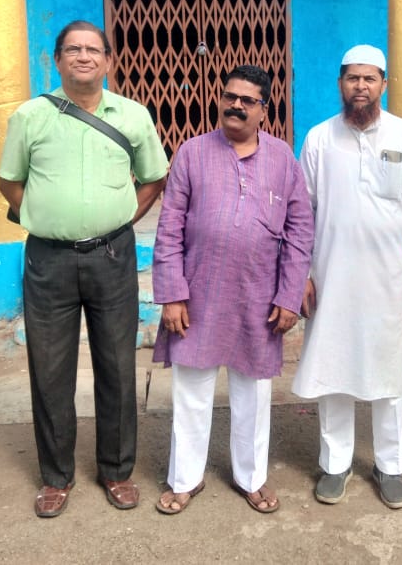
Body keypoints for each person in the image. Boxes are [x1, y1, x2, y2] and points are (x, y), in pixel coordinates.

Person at [0, 20, 168, 518]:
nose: (84, 57)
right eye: (73, 49)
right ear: (57, 60)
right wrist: (48, 217)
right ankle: (56, 477)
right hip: (48, 258)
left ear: (108, 60)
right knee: (50, 370)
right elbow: (10, 183)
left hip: (112, 256)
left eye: (93, 49)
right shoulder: (30, 116)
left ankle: (117, 470)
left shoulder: (133, 115)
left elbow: (154, 177)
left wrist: (119, 220)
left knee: (117, 366)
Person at [151, 65, 314, 515]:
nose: (235, 105)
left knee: (253, 394)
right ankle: (185, 479)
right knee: (191, 390)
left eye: (247, 100)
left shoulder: (283, 159)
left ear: (264, 110)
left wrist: (289, 295)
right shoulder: (192, 152)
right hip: (198, 292)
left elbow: (300, 232)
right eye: (229, 97)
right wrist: (172, 293)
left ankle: (251, 477)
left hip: (259, 295)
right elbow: (169, 227)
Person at [292, 44, 402, 509]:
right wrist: (302, 274)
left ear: (383, 84)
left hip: (388, 280)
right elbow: (302, 212)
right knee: (333, 369)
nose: (361, 86)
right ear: (340, 84)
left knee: (389, 372)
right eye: (353, 78)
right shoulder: (319, 138)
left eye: (369, 78)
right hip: (330, 276)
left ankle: (390, 466)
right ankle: (335, 464)